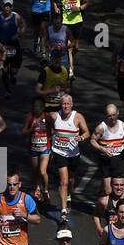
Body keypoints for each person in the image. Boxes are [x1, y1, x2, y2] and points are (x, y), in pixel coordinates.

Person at [44, 94, 88, 224]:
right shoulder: (54, 116)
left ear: (72, 105)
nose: (65, 106)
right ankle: (63, 211)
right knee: (63, 181)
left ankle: (69, 194)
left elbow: (87, 132)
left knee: (71, 179)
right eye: (63, 104)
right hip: (59, 152)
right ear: (60, 105)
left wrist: (81, 137)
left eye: (68, 104)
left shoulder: (78, 117)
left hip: (73, 154)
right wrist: (50, 136)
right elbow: (47, 124)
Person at [90, 103, 124, 197]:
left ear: (118, 113)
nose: (112, 118)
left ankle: (115, 208)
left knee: (119, 188)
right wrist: (102, 148)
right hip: (106, 160)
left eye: (114, 115)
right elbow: (92, 140)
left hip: (120, 159)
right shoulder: (101, 128)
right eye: (109, 116)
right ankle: (103, 198)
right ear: (106, 116)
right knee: (108, 190)